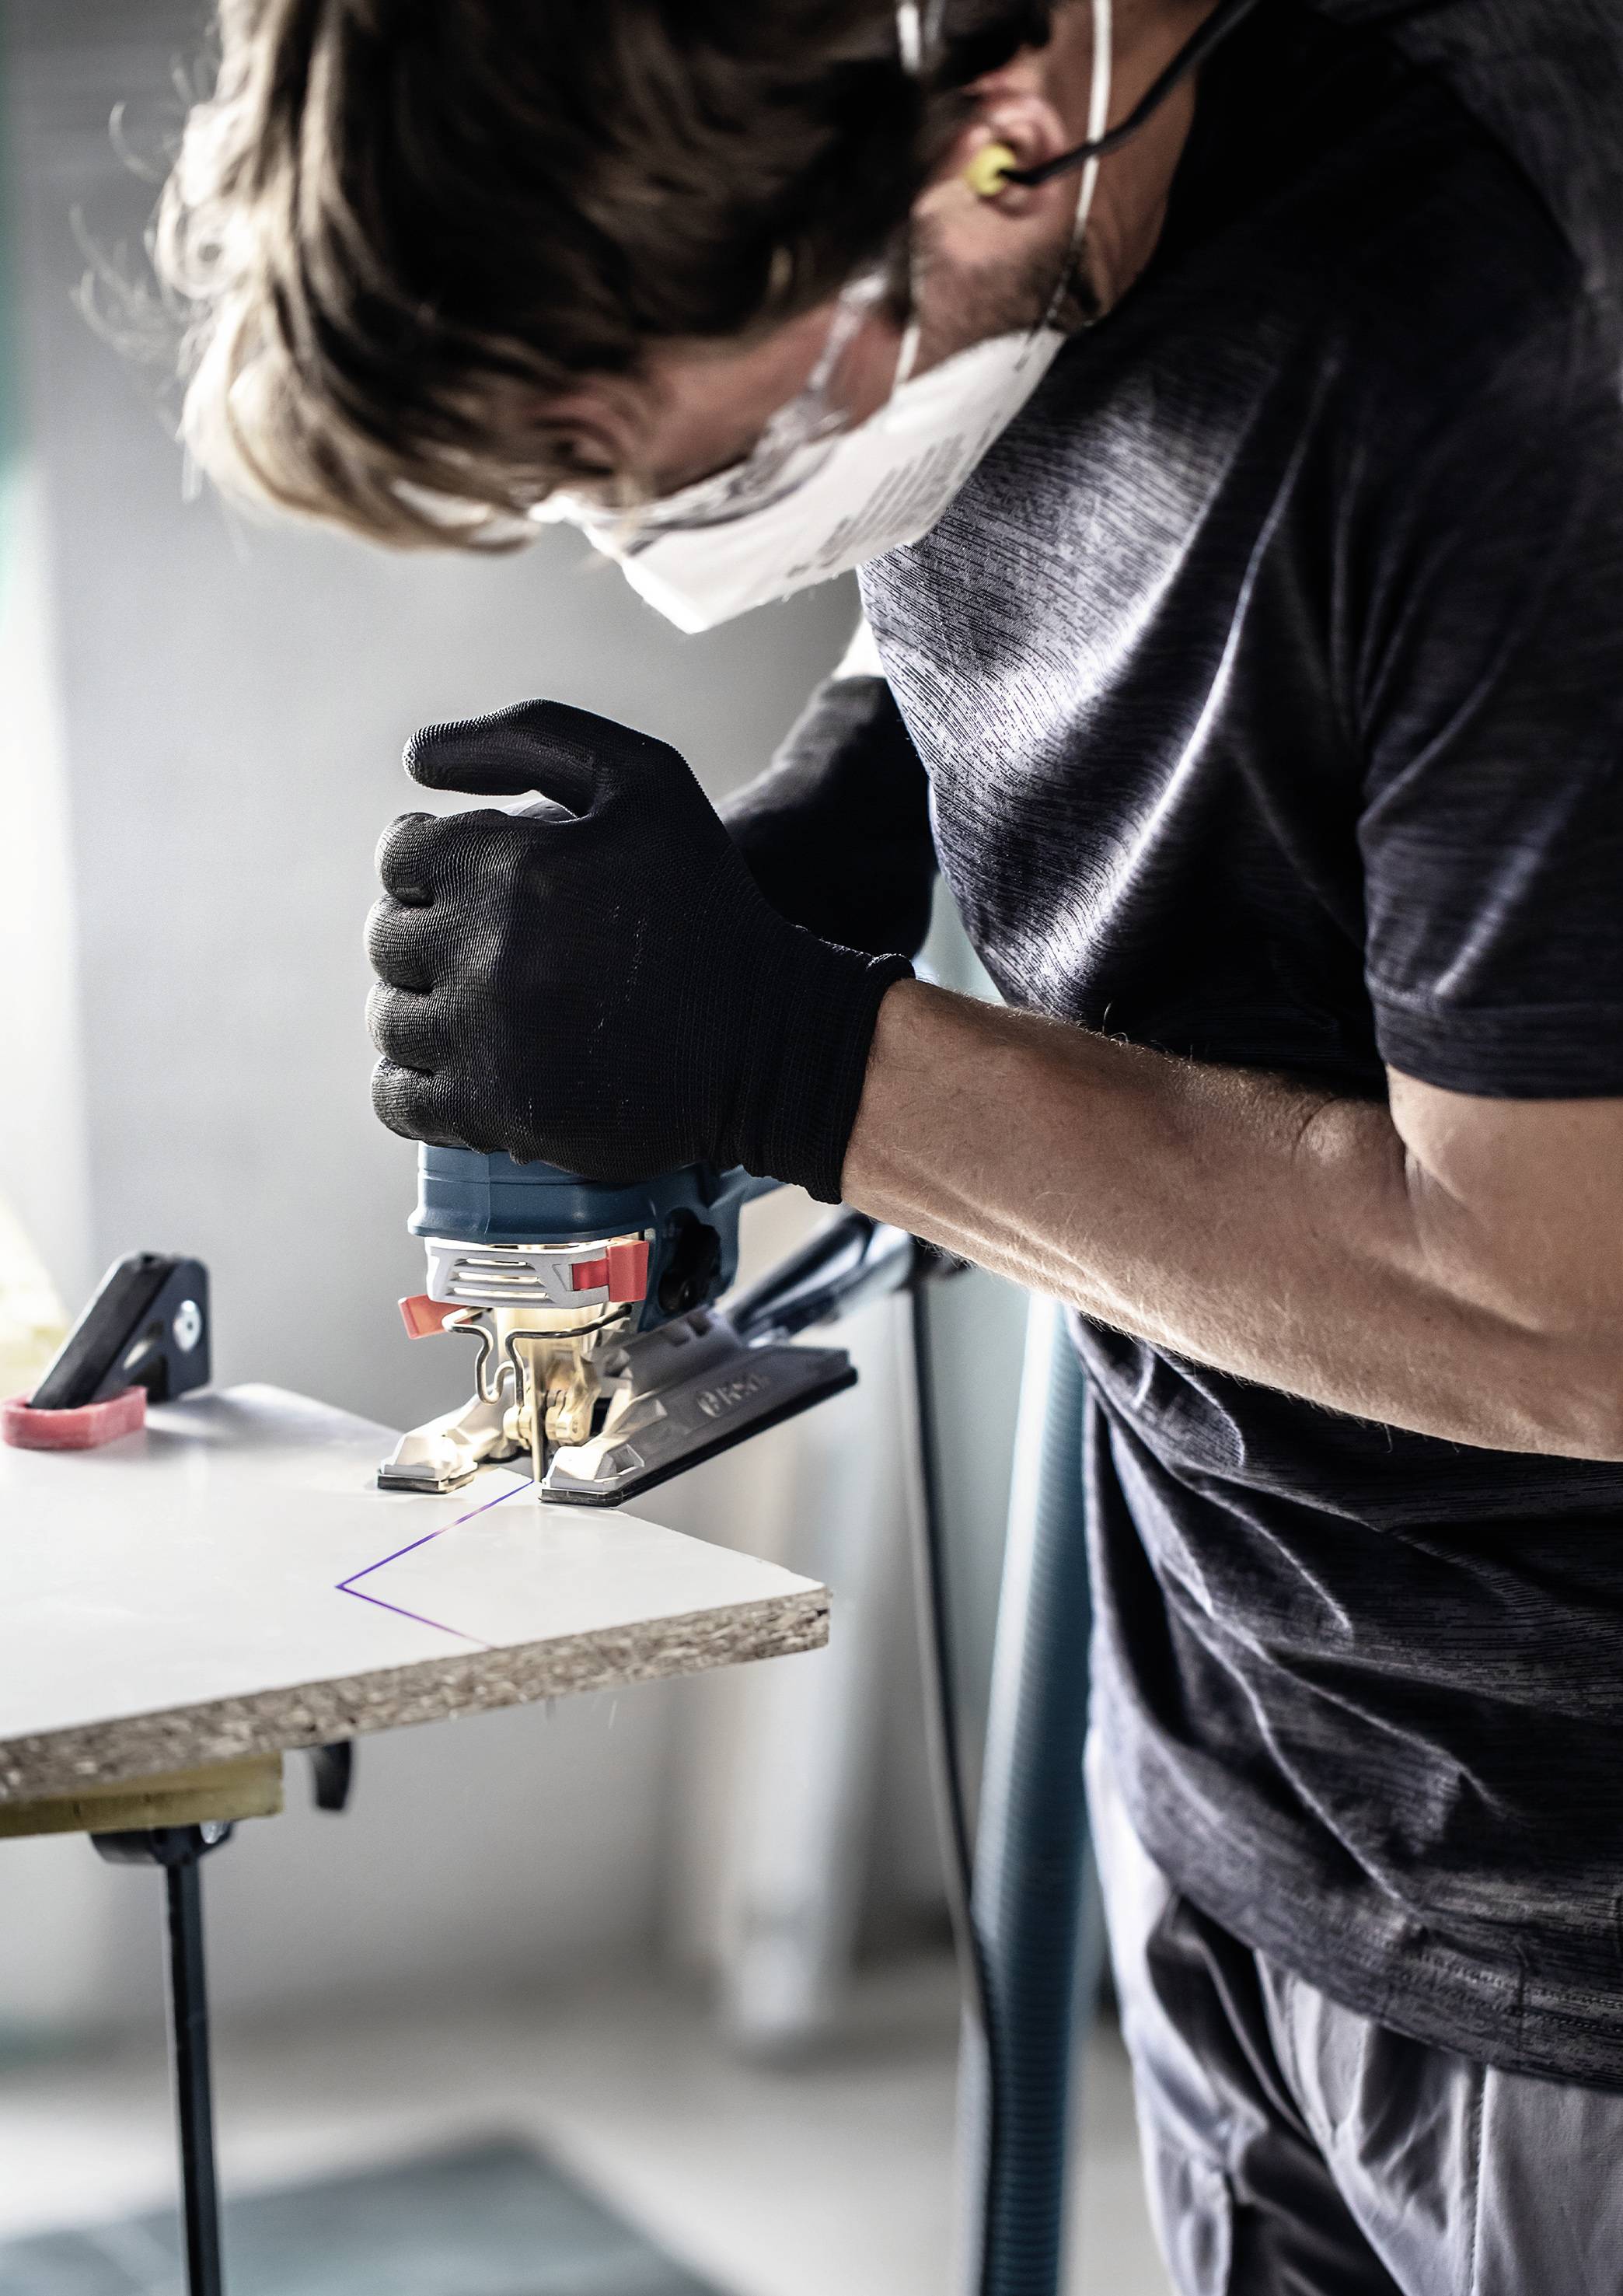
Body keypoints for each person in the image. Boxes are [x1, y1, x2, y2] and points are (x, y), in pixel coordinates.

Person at [157, 0, 1623, 2286]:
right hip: (1240, 1747)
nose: (628, 536)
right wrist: (858, 791)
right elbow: (1044, 451)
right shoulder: (1040, 179)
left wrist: (796, 1056)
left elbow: (1566, 1313)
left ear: (997, 140)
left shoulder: (1524, 331)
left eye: (652, 464)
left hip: (1563, 1919)